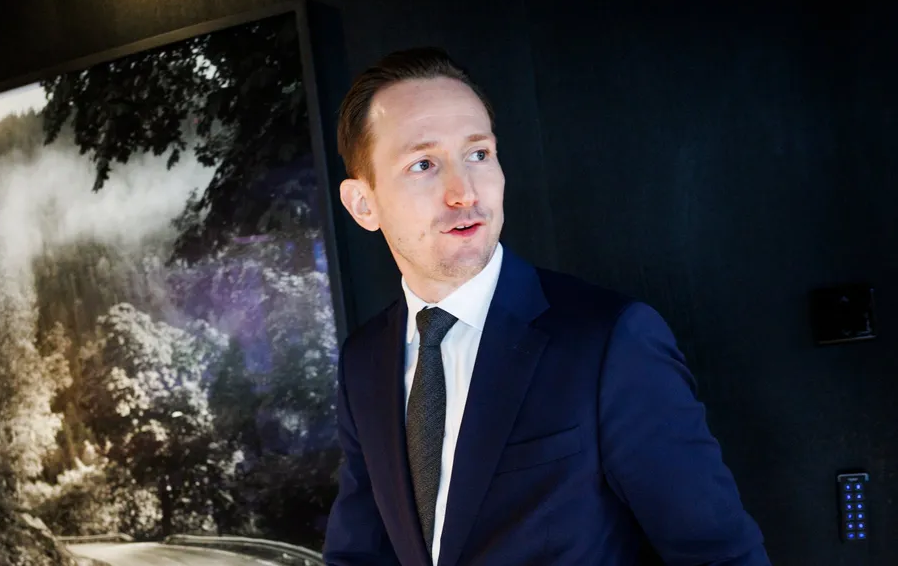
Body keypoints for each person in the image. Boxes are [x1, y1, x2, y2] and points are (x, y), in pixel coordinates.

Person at [321, 47, 770, 566]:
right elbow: (359, 554)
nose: (464, 193)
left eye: (478, 154)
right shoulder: (364, 362)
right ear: (363, 204)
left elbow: (720, 556)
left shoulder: (610, 342)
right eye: (423, 164)